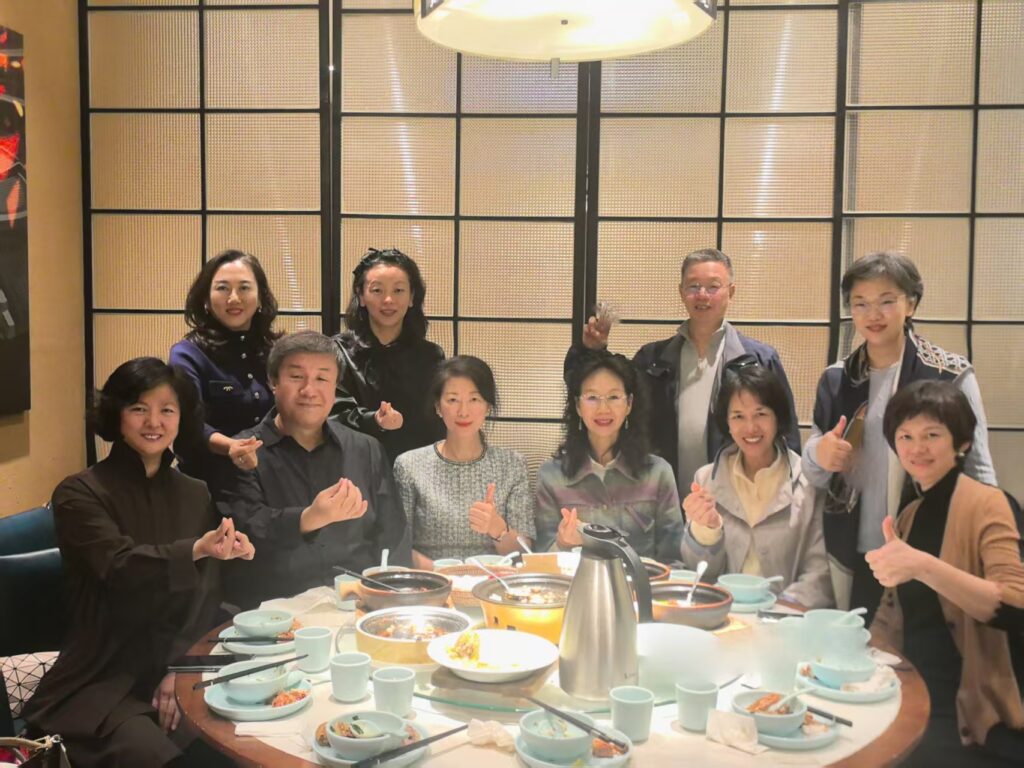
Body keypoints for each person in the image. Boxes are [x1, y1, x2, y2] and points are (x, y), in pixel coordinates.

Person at [23, 358, 255, 768]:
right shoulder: (79, 492)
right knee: (162, 759)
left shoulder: (195, 492)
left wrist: (182, 668)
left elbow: (207, 592)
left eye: (167, 410)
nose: (154, 422)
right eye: (138, 408)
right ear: (117, 414)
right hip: (102, 676)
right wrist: (196, 550)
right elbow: (119, 567)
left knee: (246, 740)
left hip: (176, 661)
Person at [804, 251, 996, 618]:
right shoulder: (837, 378)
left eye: (886, 301)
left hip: (931, 551)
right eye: (860, 303)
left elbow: (979, 471)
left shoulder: (949, 375)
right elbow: (814, 473)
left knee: (922, 647)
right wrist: (819, 454)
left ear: (911, 303)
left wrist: (984, 548)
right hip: (852, 549)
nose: (873, 314)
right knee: (861, 645)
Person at [868, 380, 1023, 767]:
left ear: (962, 443)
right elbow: (890, 615)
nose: (916, 448)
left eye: (932, 435)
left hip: (971, 712)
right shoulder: (910, 514)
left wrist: (923, 565)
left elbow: (1015, 606)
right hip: (911, 690)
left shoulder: (990, 504)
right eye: (905, 436)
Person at [565, 247, 800, 491]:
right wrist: (592, 351)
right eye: (693, 286)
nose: (702, 295)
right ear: (681, 292)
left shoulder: (759, 360)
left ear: (731, 292)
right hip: (663, 497)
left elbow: (786, 435)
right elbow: (601, 395)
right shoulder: (653, 360)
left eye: (713, 286)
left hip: (739, 499)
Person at [217, 330, 410, 608]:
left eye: (322, 378)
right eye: (297, 377)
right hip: (274, 613)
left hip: (358, 607)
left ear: (335, 386)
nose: (309, 390)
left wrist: (393, 603)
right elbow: (244, 532)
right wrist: (308, 518)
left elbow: (393, 536)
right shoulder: (243, 451)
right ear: (273, 381)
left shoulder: (366, 449)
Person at [679, 359, 833, 608]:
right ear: (727, 423)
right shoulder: (706, 480)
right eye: (738, 416)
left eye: (761, 414)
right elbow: (698, 571)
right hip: (723, 617)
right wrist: (707, 530)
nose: (750, 428)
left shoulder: (808, 482)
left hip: (786, 619)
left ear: (777, 417)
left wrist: (779, 614)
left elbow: (819, 573)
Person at [535, 351, 684, 562]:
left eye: (613, 397)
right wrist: (563, 543)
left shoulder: (658, 473)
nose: (603, 409)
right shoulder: (551, 476)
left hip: (645, 582)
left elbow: (674, 560)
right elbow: (542, 561)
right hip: (576, 582)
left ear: (629, 403)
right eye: (592, 398)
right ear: (578, 406)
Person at [394, 356, 534, 568]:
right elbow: (399, 546)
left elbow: (524, 553)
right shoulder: (409, 465)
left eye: (474, 399)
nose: (463, 411)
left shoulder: (512, 465)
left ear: (488, 406)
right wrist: (445, 574)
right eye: (452, 400)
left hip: (494, 582)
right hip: (432, 581)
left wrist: (497, 528)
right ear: (438, 406)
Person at [169, 249, 281, 490]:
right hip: (208, 482)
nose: (234, 298)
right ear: (206, 299)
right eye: (222, 288)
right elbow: (187, 423)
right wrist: (231, 446)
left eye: (244, 288)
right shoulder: (188, 354)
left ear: (261, 297)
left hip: (271, 478)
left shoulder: (277, 351)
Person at [332, 248, 446, 464]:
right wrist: (374, 420)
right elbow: (332, 413)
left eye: (398, 290)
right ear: (361, 296)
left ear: (412, 297)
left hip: (415, 467)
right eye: (377, 290)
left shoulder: (430, 356)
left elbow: (437, 421)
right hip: (353, 465)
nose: (388, 299)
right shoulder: (337, 350)